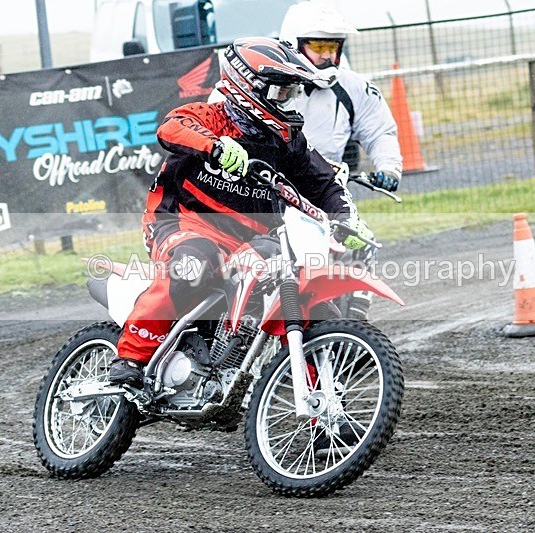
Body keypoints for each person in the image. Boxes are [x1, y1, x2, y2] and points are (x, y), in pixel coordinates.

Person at [108, 37, 373, 385]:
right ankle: (130, 357)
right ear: (249, 88)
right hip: (182, 223)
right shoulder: (210, 117)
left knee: (299, 292)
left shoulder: (288, 142)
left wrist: (348, 222)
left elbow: (323, 183)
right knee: (195, 263)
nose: (288, 102)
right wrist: (214, 146)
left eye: (292, 93)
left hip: (251, 239)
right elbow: (171, 128)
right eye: (281, 93)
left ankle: (320, 413)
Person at [279, 1, 403, 192]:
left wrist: (389, 169)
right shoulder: (267, 82)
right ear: (294, 43)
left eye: (333, 47)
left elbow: (379, 132)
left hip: (326, 190)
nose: (327, 56)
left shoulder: (354, 86)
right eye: (319, 47)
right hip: (270, 188)